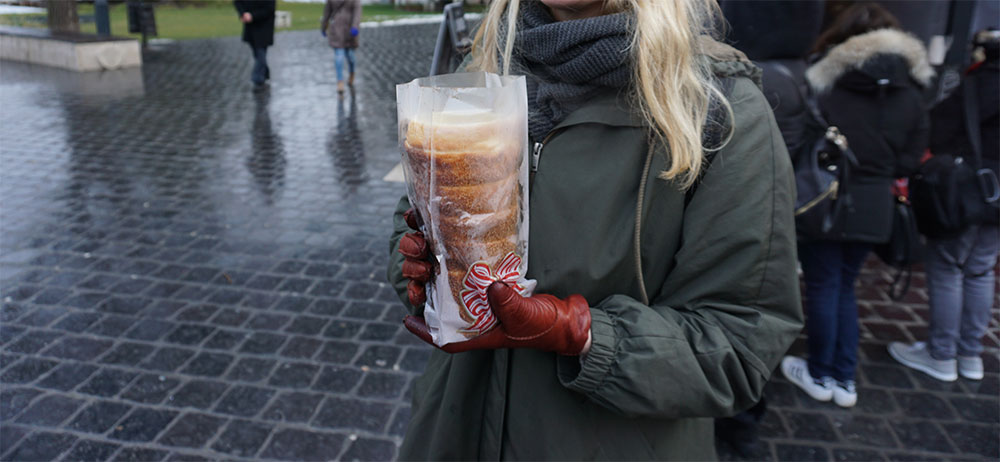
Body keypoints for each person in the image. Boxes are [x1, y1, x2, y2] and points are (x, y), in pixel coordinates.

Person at [386, 0, 802, 459]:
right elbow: (410, 216)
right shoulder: (483, 68)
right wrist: (425, 268)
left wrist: (582, 335)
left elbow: (740, 343)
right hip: (452, 430)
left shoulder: (718, 105)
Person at [780, 3, 931, 408]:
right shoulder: (913, 90)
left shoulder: (825, 79)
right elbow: (910, 158)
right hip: (875, 204)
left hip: (823, 200)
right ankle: (844, 379)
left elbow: (803, 142)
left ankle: (818, 373)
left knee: (823, 286)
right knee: (844, 287)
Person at [889, 28, 1000, 382]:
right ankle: (970, 355)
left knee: (948, 267)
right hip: (998, 193)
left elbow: (941, 128)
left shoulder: (983, 81)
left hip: (968, 189)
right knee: (981, 269)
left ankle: (941, 354)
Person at [321, 0, 361, 95]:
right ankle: (340, 82)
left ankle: (352, 73)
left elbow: (357, 12)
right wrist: (323, 26)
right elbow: (327, 12)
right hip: (336, 29)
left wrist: (355, 26)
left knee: (350, 56)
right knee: (339, 55)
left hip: (350, 29)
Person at [234, 0, 276, 90]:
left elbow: (269, 9)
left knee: (260, 52)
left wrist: (253, 16)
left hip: (264, 27)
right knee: (257, 54)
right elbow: (238, 2)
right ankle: (264, 73)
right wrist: (243, 14)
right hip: (251, 27)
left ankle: (257, 79)